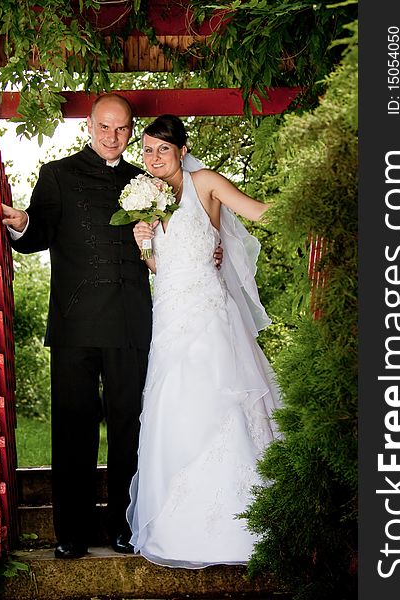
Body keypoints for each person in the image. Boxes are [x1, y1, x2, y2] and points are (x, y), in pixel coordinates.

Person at [1, 95, 225, 559]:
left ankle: (124, 526)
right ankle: (71, 532)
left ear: (130, 131)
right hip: (75, 324)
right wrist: (23, 221)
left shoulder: (147, 181)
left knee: (129, 427)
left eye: (122, 130)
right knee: (72, 428)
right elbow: (37, 234)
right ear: (89, 126)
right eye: (104, 127)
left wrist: (211, 248)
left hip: (131, 323)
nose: (112, 137)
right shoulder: (57, 174)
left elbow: (176, 239)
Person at [128, 114, 283, 568]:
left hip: (210, 317)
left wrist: (311, 209)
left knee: (221, 404)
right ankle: (182, 526)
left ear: (181, 148)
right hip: (170, 319)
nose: (154, 157)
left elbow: (258, 212)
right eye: (148, 149)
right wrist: (144, 246)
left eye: (163, 148)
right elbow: (164, 268)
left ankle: (244, 523)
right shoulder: (146, 199)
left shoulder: (205, 182)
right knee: (175, 407)